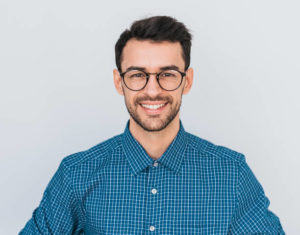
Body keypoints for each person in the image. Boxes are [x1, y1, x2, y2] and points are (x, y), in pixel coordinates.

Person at [20, 16, 284, 234]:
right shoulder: (76, 174)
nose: (153, 90)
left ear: (187, 80)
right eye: (138, 75)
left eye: (167, 74)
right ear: (118, 81)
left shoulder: (230, 174)